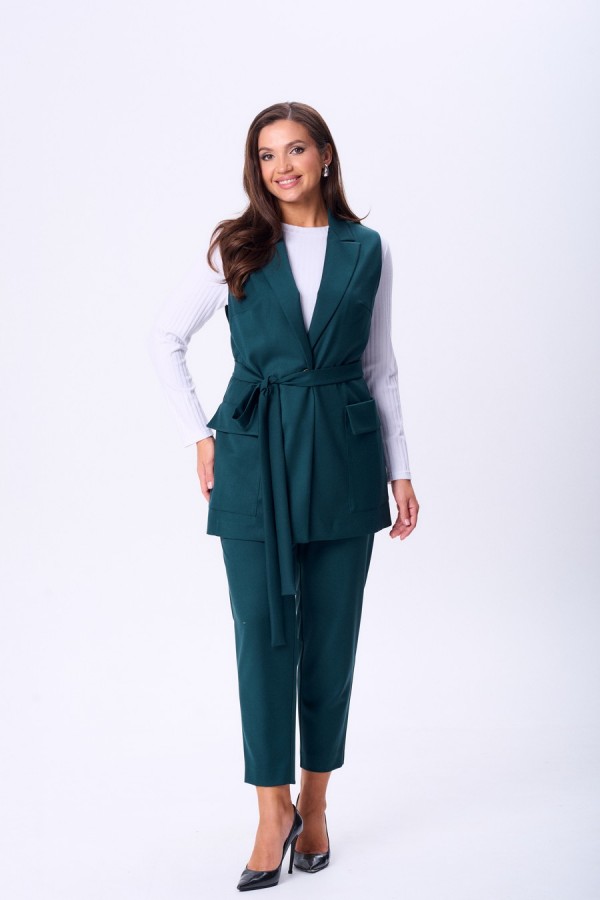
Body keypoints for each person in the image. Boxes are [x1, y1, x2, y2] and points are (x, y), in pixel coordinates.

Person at [147, 100, 419, 892]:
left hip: (344, 454)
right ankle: (272, 811)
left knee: (331, 639)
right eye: (267, 155)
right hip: (253, 452)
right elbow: (165, 337)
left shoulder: (367, 249)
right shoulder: (236, 246)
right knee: (261, 634)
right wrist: (200, 435)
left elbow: (379, 366)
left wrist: (401, 469)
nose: (282, 167)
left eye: (296, 149)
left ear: (325, 155)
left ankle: (317, 802)